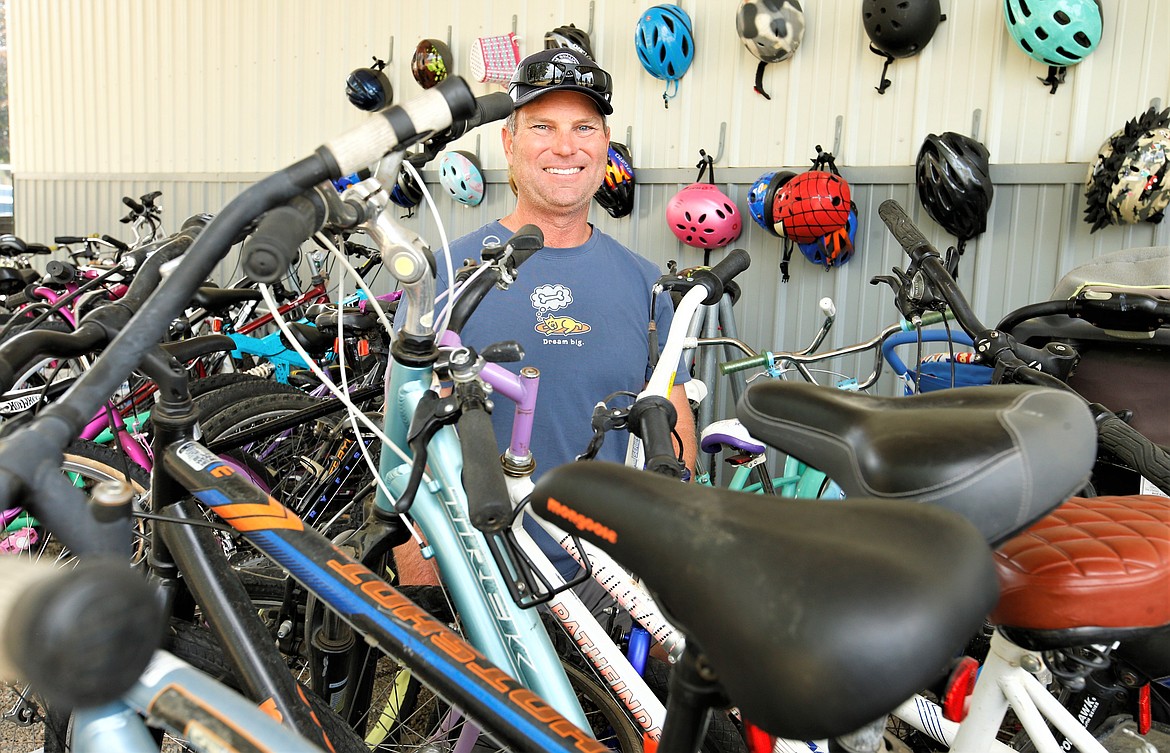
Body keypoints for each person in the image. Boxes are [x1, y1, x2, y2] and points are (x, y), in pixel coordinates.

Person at [395, 47, 697, 587]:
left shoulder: (644, 282)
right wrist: (420, 562)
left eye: (584, 127)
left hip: (607, 581)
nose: (566, 146)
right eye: (543, 126)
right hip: (477, 581)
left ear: (605, 145)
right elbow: (406, 422)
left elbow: (669, 403)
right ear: (509, 143)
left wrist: (671, 531)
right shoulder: (443, 273)